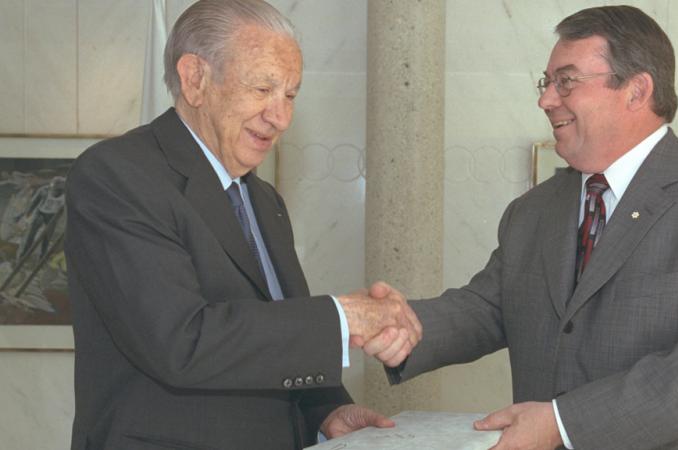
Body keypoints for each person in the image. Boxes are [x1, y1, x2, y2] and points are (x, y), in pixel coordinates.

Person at [363, 5, 678, 450]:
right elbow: (486, 309)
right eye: (547, 83)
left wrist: (564, 423)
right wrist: (400, 324)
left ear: (637, 90)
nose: (546, 100)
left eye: (566, 81)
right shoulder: (532, 210)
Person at [65, 1, 420, 449]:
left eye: (290, 94)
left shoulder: (263, 200)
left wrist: (326, 410)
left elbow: (272, 331)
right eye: (262, 88)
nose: (281, 117)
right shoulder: (118, 176)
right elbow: (181, 341)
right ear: (195, 79)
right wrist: (343, 317)